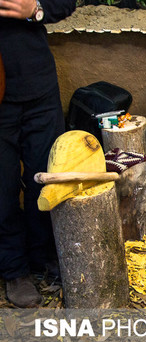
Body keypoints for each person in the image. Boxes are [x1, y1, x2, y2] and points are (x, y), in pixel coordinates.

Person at [0, 0, 76, 307]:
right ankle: (14, 268)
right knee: (2, 188)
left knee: (44, 177)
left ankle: (43, 255)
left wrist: (36, 8)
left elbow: (65, 3)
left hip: (38, 85)